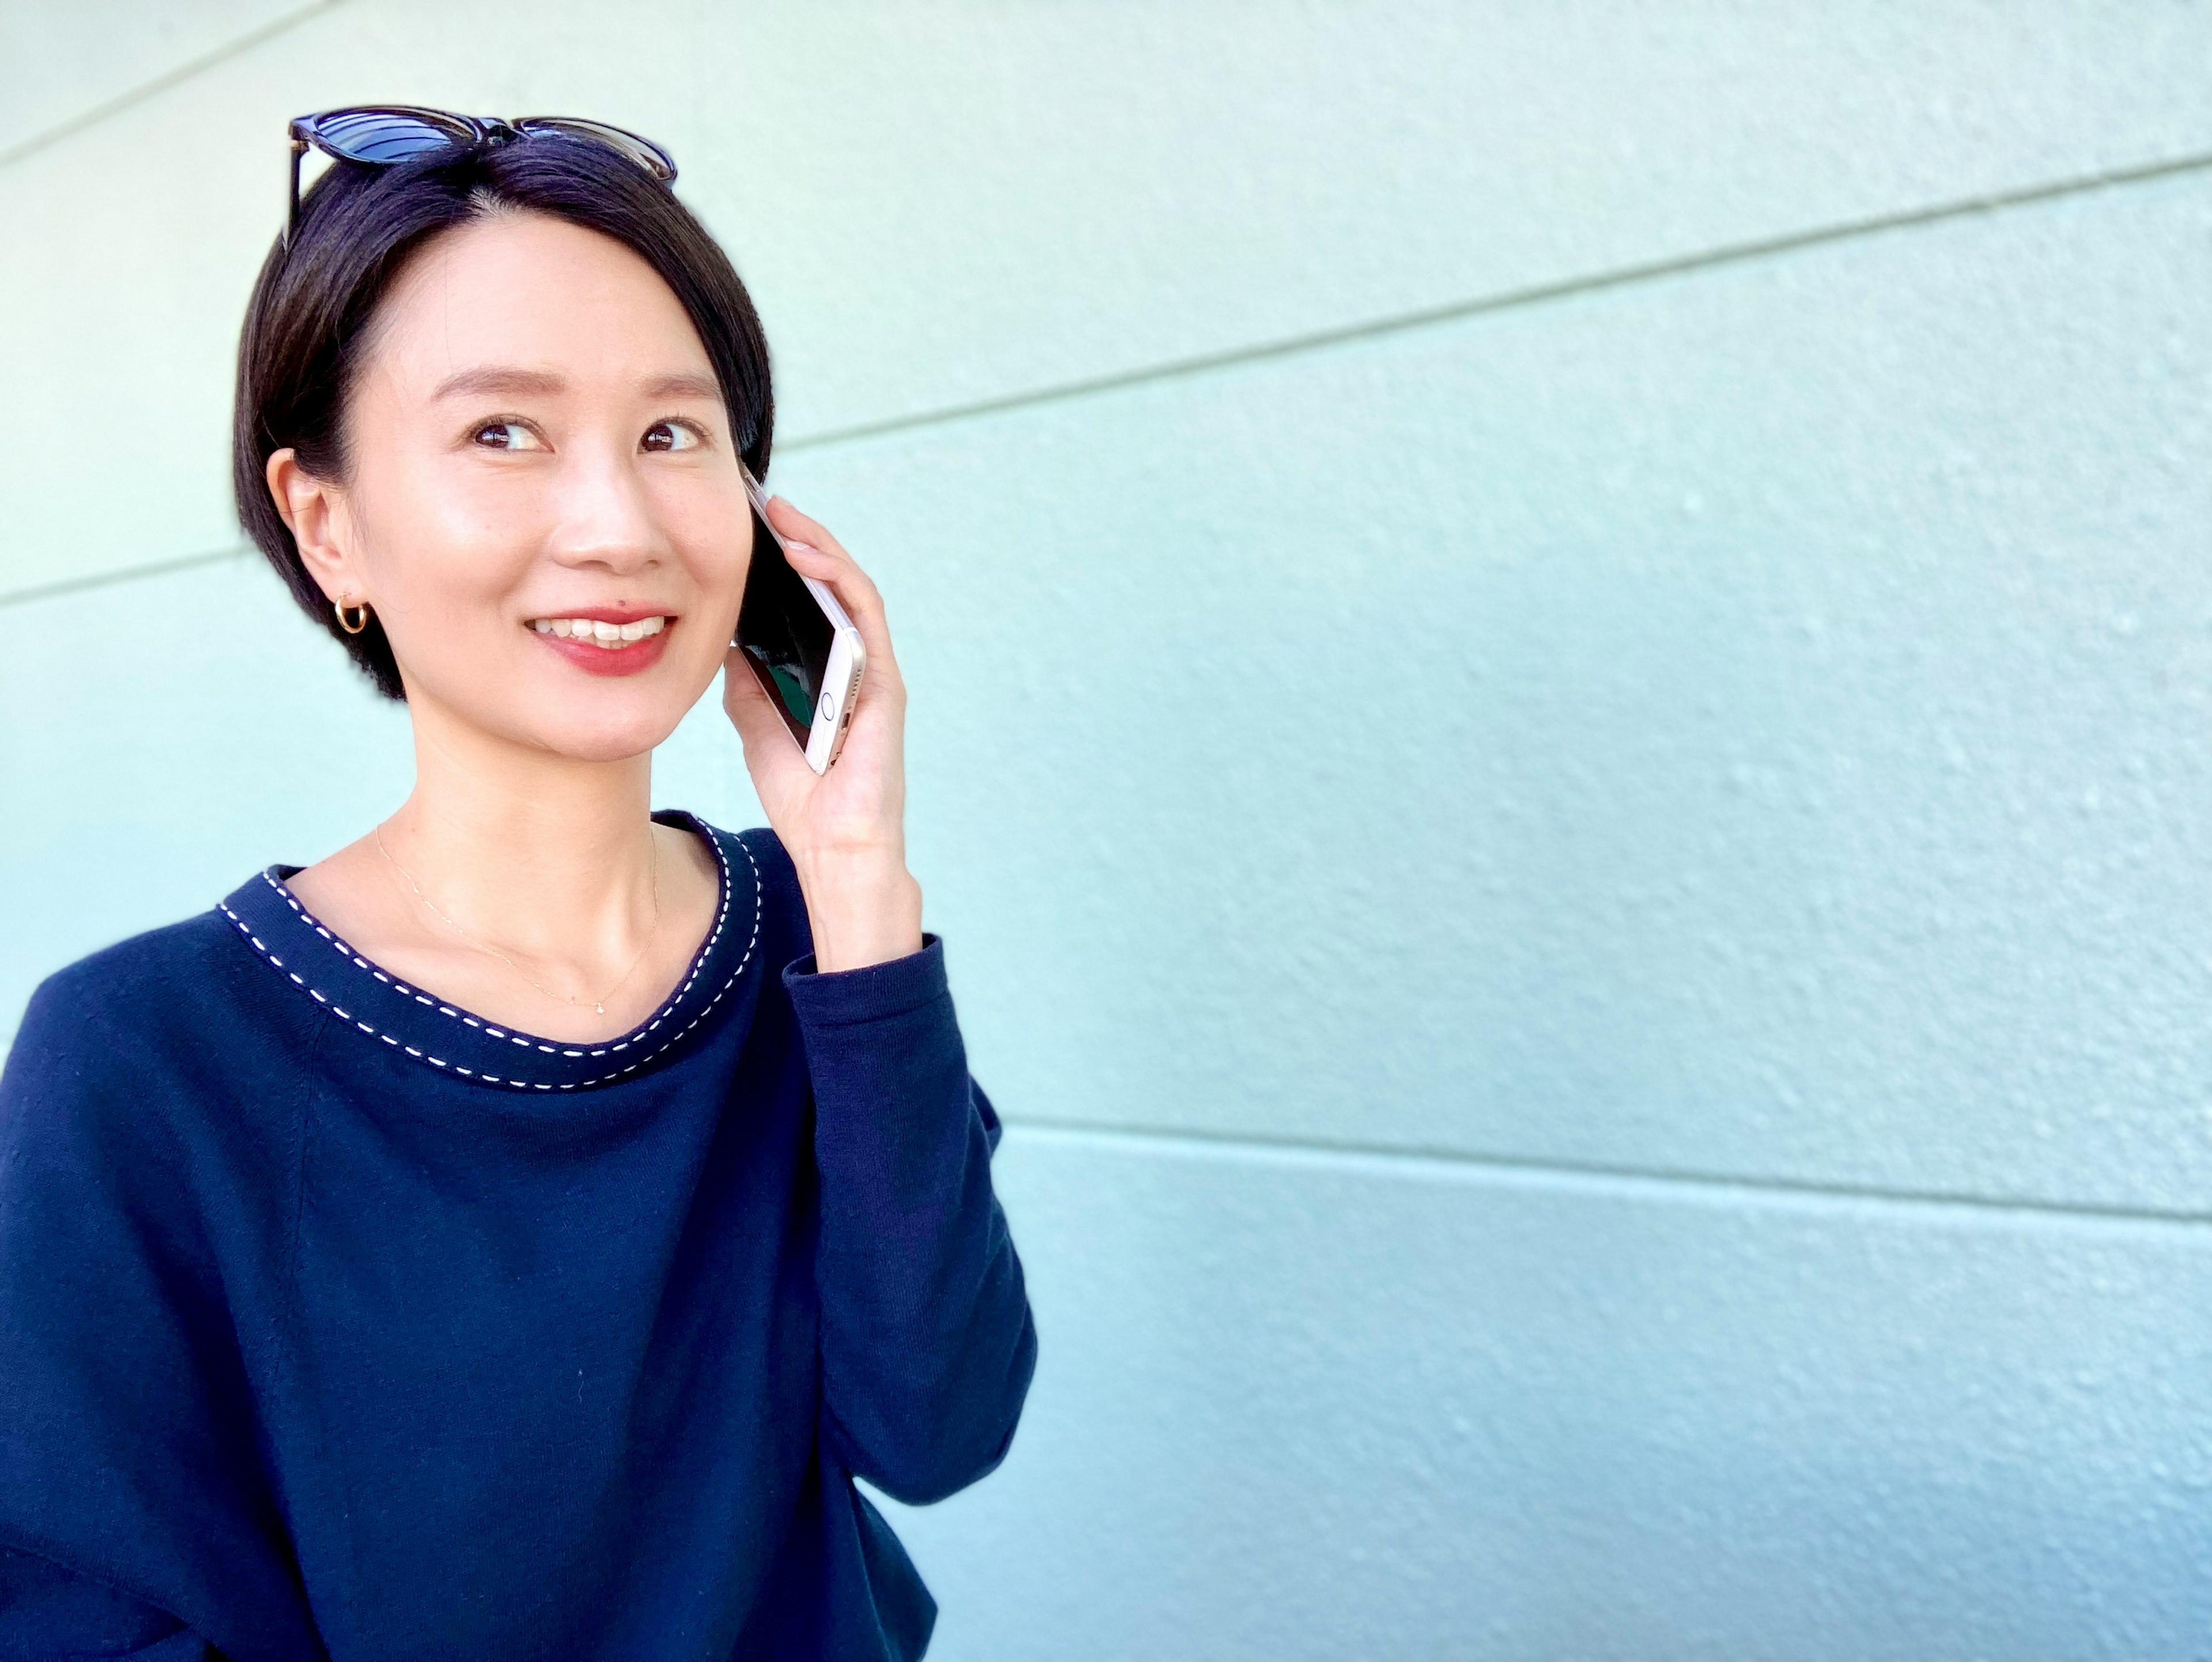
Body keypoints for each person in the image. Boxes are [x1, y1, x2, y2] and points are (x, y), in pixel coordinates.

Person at [0, 108, 1036, 1661]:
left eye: (673, 435)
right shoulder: (142, 1059)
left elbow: (940, 1428)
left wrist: (859, 878)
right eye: (504, 432)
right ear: (326, 521)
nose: (616, 525)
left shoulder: (820, 953)